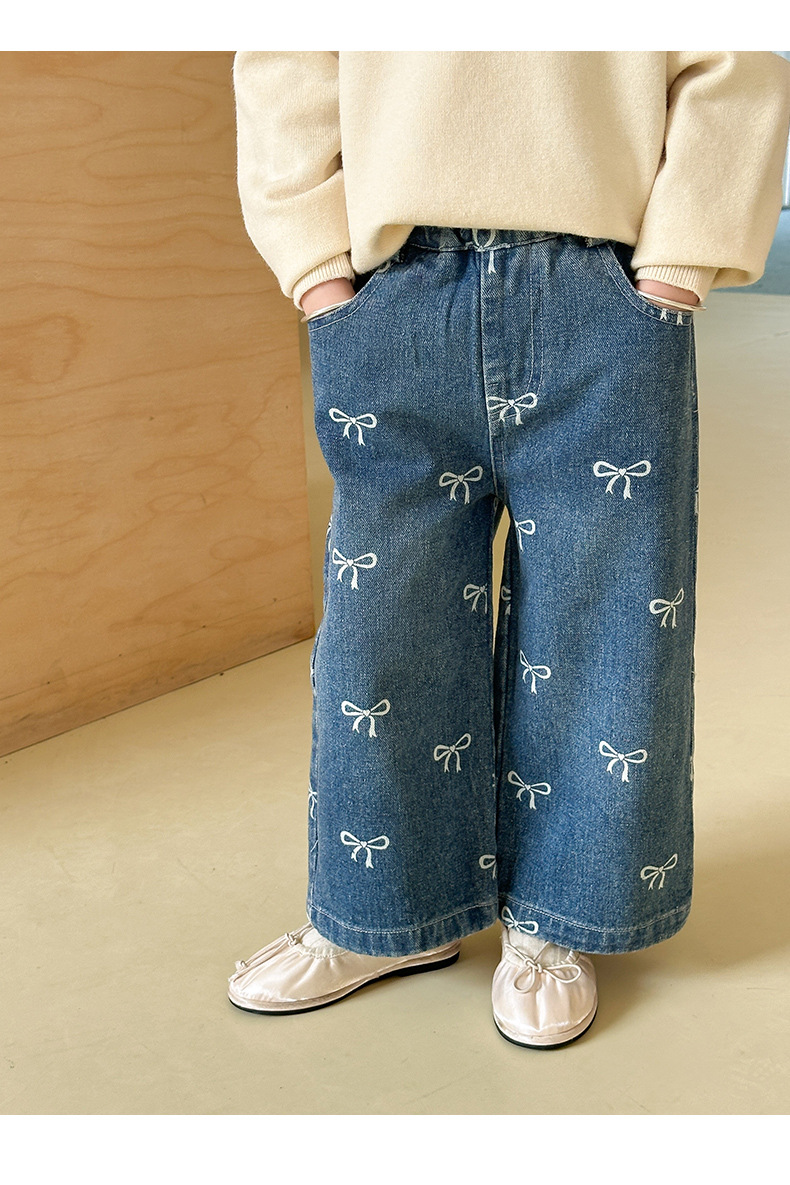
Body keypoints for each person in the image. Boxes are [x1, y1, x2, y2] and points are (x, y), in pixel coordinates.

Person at [226, 50, 790, 1048]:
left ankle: (560, 919)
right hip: (391, 287)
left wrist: (677, 269)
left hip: (602, 288)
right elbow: (286, 58)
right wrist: (317, 270)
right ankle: (385, 911)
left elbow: (732, 56)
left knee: (605, 622)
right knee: (379, 629)